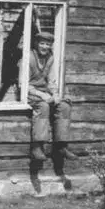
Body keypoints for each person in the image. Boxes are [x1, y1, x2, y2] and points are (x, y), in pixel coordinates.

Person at [25, 31, 75, 174]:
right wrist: (41, 95)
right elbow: (23, 85)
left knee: (64, 106)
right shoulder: (28, 58)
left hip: (43, 91)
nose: (45, 47)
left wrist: (55, 94)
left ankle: (61, 145)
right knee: (43, 106)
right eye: (42, 43)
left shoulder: (50, 58)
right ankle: (37, 146)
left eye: (48, 44)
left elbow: (51, 81)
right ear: (36, 44)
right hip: (29, 92)